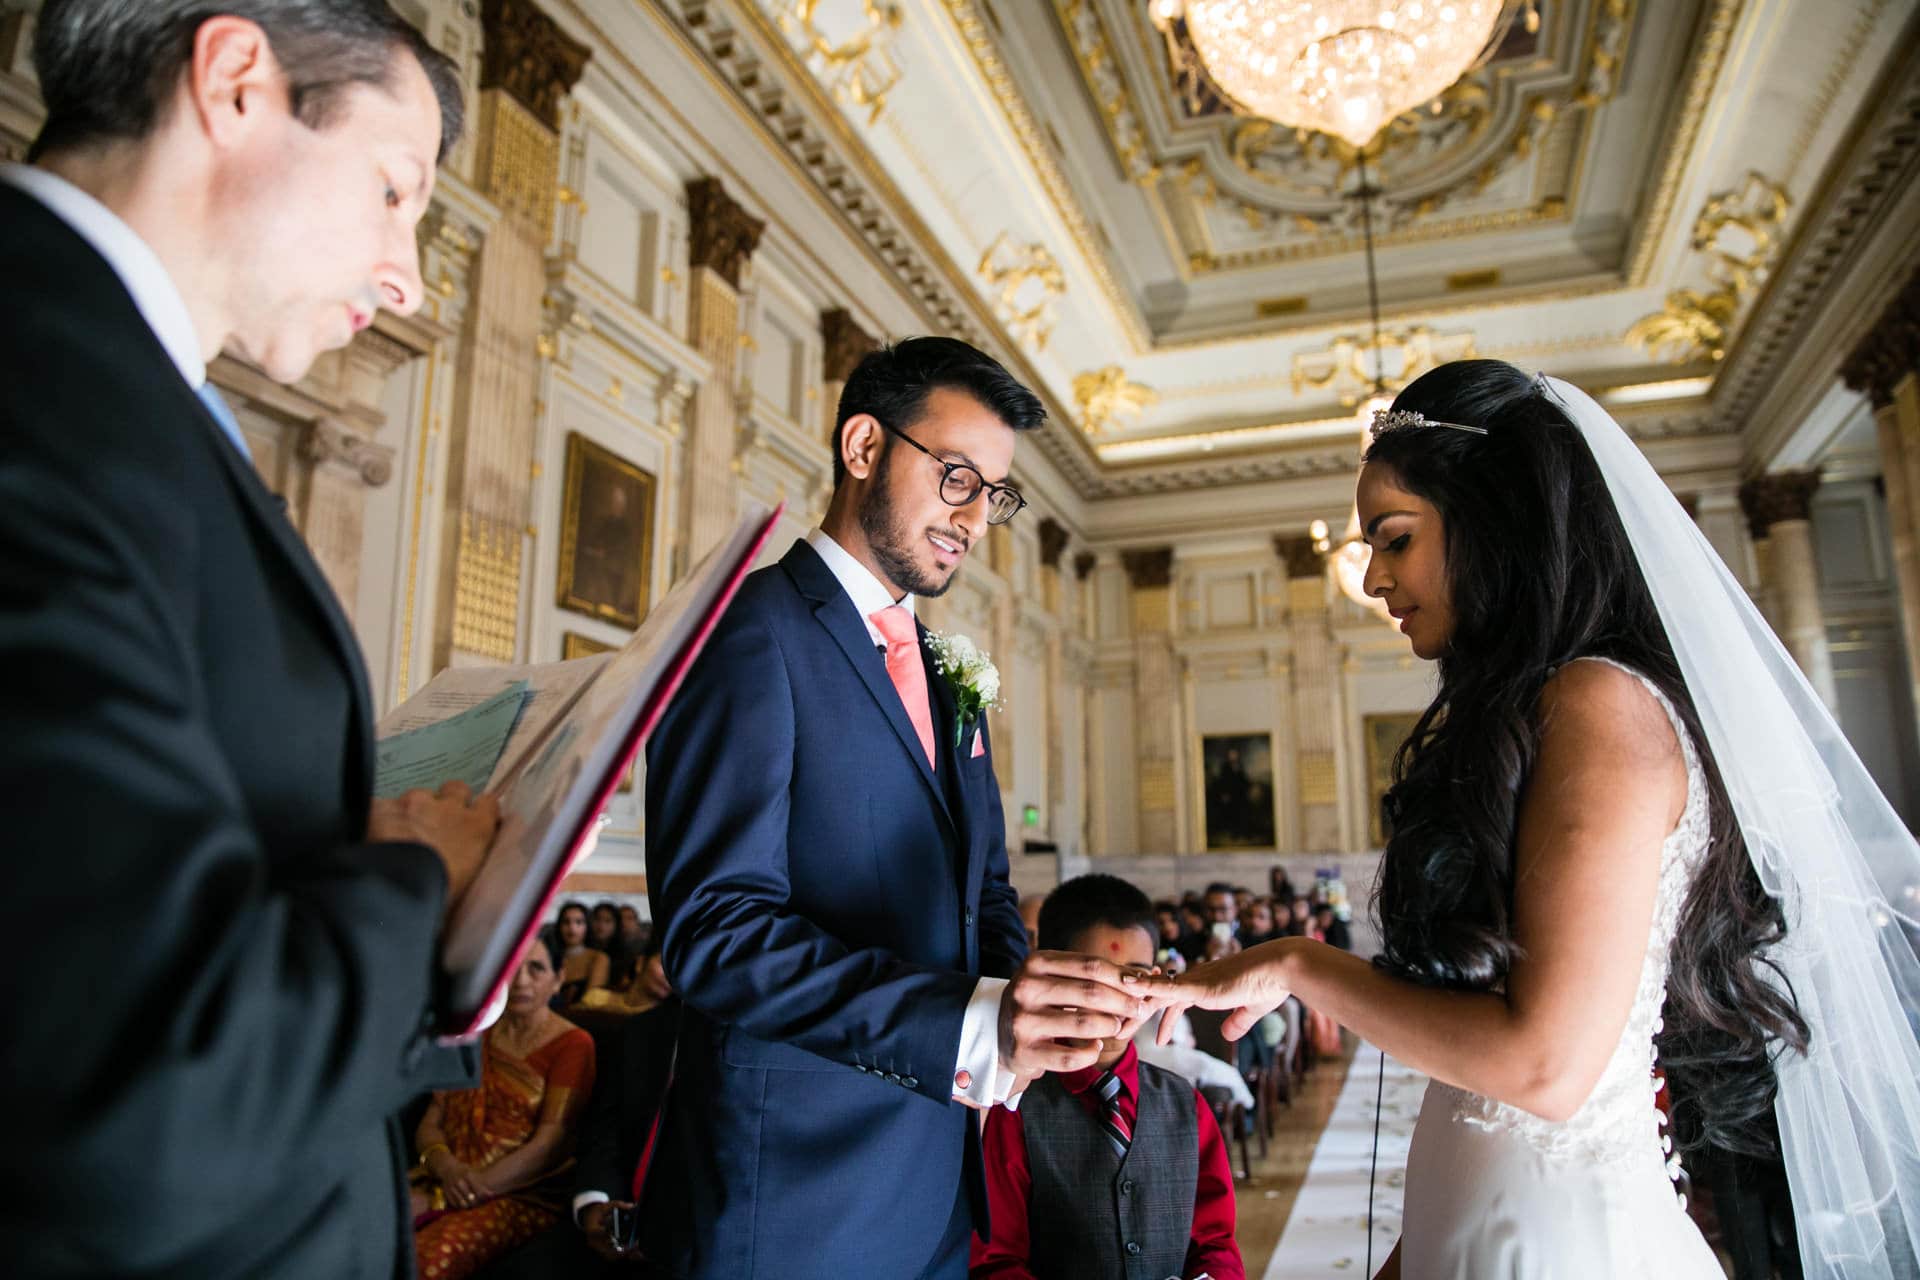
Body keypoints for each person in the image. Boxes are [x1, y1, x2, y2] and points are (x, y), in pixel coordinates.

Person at [1155, 360, 1920, 1279]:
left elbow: (1546, 1068)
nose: (1376, 580)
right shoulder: (1545, 710)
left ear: (1492, 520)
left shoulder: (1600, 705)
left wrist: (1297, 964)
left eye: (1395, 540)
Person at [0, 4, 501, 1275]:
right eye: (396, 191)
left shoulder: (126, 392)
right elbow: (149, 1085)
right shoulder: (40, 384)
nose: (410, 278)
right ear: (234, 83)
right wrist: (415, 883)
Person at [643, 337, 1154, 1278]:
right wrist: (966, 1024)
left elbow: (986, 893)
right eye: (957, 475)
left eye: (994, 495)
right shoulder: (746, 632)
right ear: (866, 446)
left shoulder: (948, 671)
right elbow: (714, 933)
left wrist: (1043, 1006)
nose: (976, 518)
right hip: (796, 1187)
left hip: (932, 1173)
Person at [971, 874, 1242, 1280]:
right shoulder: (1013, 1107)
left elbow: (1216, 1243)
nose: (1112, 998)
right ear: (1049, 974)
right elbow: (997, 1259)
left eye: (1132, 977)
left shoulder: (1187, 1105)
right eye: (1092, 978)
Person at [411, 933, 596, 1280]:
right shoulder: (476, 1033)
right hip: (441, 1177)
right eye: (511, 968)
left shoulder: (573, 1044)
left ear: (559, 978)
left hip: (516, 1194)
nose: (521, 981)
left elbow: (549, 1144)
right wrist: (447, 1171)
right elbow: (431, 1122)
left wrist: (455, 1195)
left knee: (429, 1260)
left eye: (536, 969)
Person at [553, 900, 609, 1005]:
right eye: (566, 922)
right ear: (559, 927)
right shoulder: (550, 957)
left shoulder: (599, 958)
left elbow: (591, 1001)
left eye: (579, 922)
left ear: (587, 926)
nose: (572, 928)